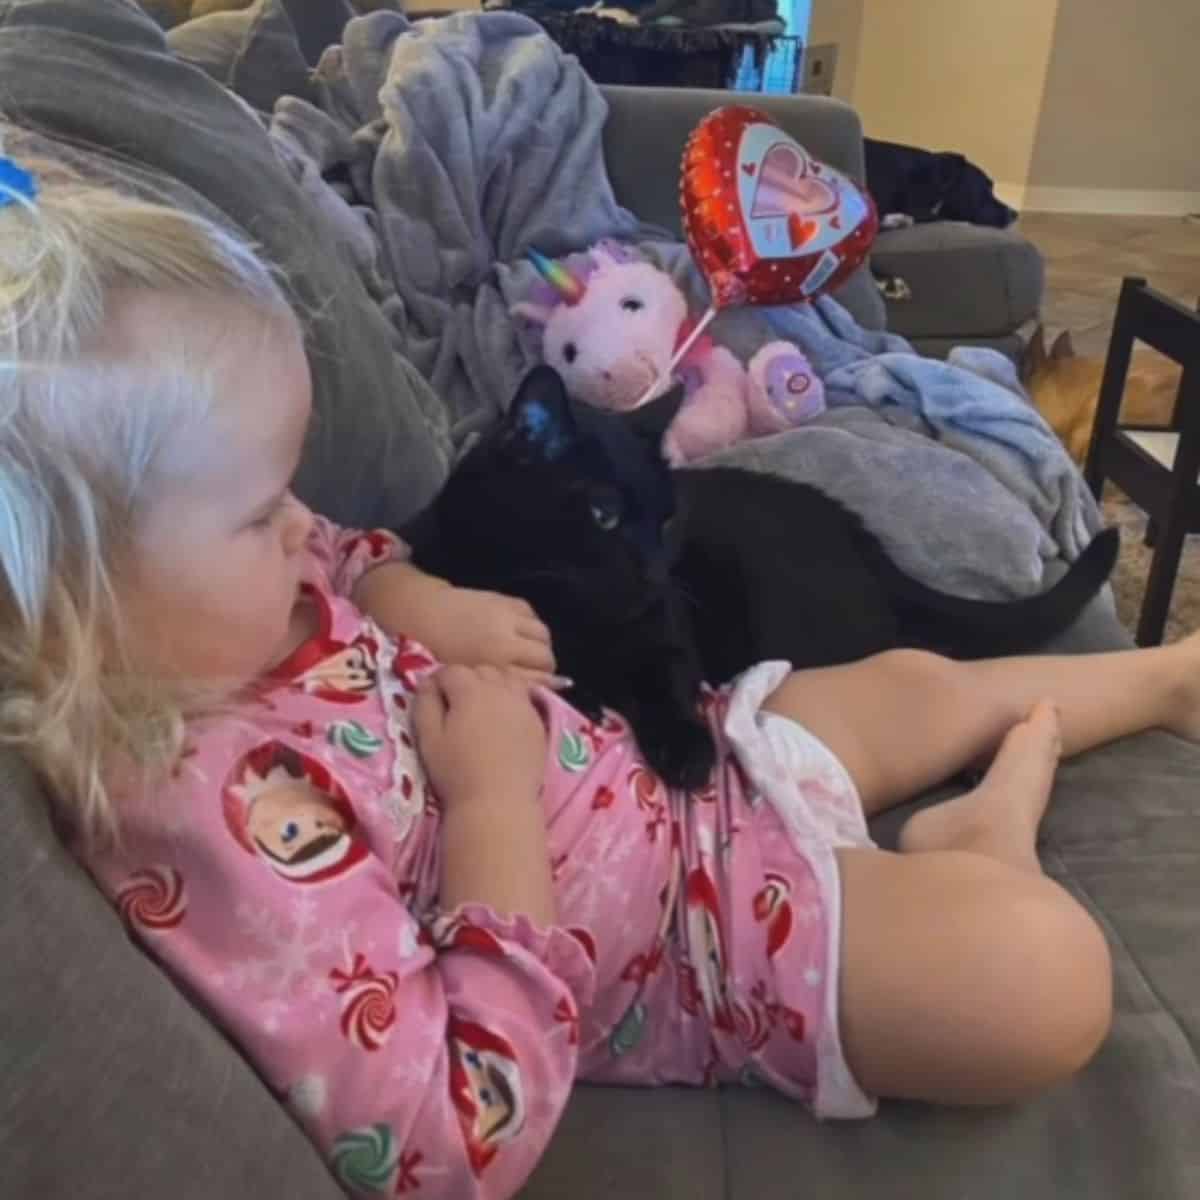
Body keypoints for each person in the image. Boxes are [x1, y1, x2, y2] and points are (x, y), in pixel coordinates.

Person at [3, 140, 1198, 1200]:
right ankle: (985, 841)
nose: (301, 528)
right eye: (262, 509)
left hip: (690, 762)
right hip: (714, 943)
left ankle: (1166, 680)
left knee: (916, 682)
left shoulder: (235, 598)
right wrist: (488, 803)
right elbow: (454, 1132)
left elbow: (347, 555)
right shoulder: (207, 819)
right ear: (74, 592)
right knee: (1047, 982)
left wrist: (413, 592)